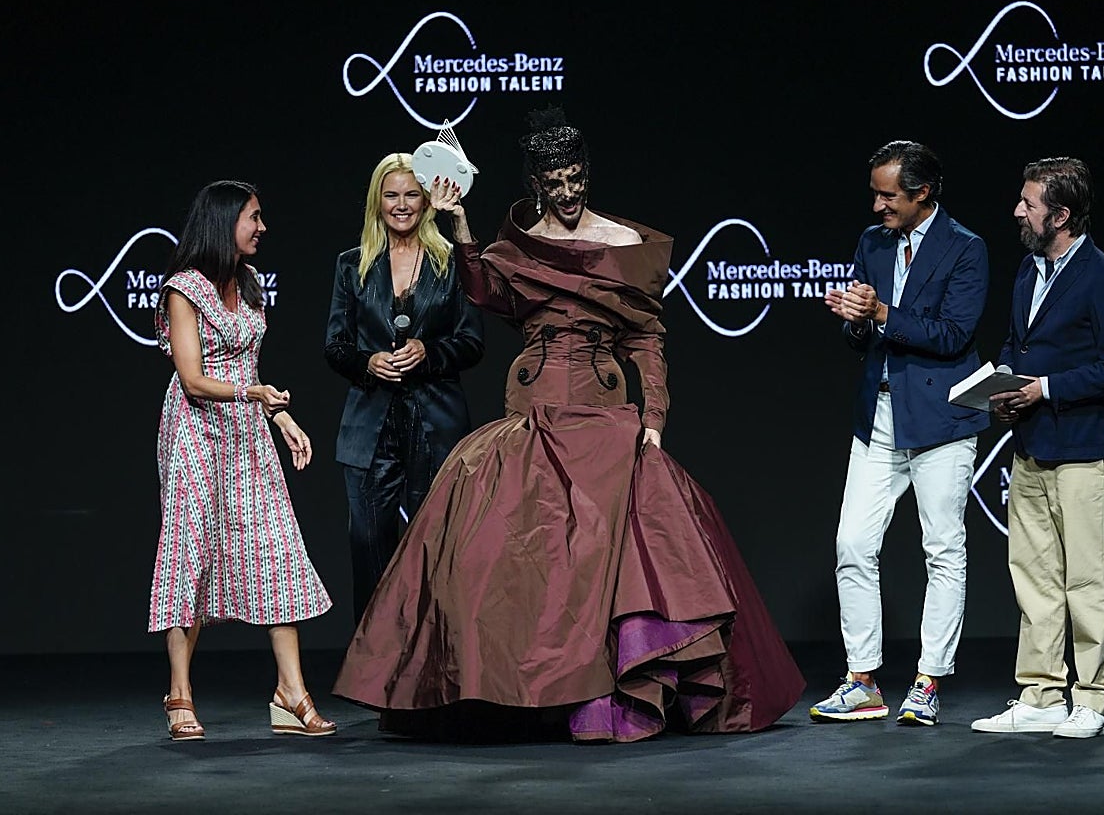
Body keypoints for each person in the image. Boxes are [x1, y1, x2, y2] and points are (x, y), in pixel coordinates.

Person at [334, 108, 805, 742]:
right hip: (532, 404)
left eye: (575, 176)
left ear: (587, 173)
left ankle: (612, 695)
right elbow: (486, 295)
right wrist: (462, 224)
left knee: (612, 547)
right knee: (507, 549)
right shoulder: (520, 244)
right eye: (554, 181)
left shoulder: (623, 244)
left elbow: (646, 339)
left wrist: (655, 419)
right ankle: (509, 693)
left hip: (603, 410)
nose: (567, 191)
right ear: (536, 183)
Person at [150, 180, 335, 741]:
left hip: (247, 432)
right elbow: (192, 379)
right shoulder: (184, 289)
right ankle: (179, 691)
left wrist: (280, 418)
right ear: (224, 222)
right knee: (191, 551)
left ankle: (291, 692)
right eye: (254, 217)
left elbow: (250, 369)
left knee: (277, 547)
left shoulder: (250, 283)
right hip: (195, 431)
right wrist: (254, 398)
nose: (262, 227)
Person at [817, 141, 989, 726]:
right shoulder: (872, 243)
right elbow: (861, 339)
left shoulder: (967, 249)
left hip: (942, 419)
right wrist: (852, 320)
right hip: (881, 417)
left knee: (943, 549)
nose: (876, 206)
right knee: (852, 544)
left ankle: (928, 682)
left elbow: (953, 336)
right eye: (874, 193)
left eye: (887, 195)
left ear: (923, 193)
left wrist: (881, 313)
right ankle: (862, 679)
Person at [971, 157, 1104, 739]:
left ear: (1060, 215)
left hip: (1083, 449)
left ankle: (1091, 698)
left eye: (1029, 203)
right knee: (1034, 576)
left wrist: (1046, 388)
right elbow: (1021, 347)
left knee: (1087, 579)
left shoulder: (1103, 278)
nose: (1018, 210)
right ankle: (1041, 694)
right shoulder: (1028, 270)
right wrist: (1000, 388)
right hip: (1031, 446)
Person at [325, 153, 484, 623]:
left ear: (427, 200)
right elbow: (335, 346)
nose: (401, 205)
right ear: (377, 201)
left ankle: (437, 665)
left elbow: (472, 342)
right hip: (370, 425)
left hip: (436, 423)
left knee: (440, 547)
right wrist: (368, 361)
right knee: (368, 548)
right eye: (390, 195)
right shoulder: (352, 265)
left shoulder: (452, 263)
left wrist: (428, 353)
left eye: (411, 194)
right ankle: (375, 668)